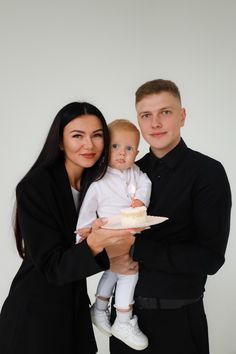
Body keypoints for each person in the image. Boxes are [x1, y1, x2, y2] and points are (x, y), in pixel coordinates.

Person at [0, 102, 137, 354]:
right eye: (77, 136)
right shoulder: (35, 187)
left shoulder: (97, 182)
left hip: (74, 314)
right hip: (34, 318)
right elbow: (53, 266)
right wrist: (97, 244)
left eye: (97, 136)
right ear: (61, 142)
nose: (89, 145)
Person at [109, 79, 232, 354]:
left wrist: (135, 248)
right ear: (138, 122)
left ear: (182, 116)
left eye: (165, 112)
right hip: (125, 321)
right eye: (146, 115)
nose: (155, 123)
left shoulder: (208, 173)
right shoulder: (124, 174)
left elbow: (210, 259)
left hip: (179, 324)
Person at [76, 119, 151, 351]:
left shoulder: (136, 172)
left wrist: (139, 199)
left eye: (129, 149)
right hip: (108, 233)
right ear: (106, 148)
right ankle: (123, 319)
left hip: (128, 231)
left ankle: (99, 308)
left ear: (137, 153)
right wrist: (85, 232)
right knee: (129, 272)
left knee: (114, 271)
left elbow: (145, 184)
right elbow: (88, 208)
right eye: (115, 147)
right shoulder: (99, 180)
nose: (121, 154)